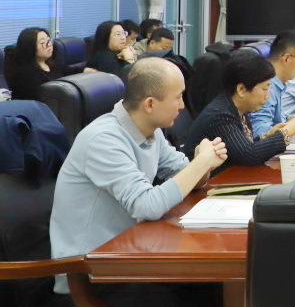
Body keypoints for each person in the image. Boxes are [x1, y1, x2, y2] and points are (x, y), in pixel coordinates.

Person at [50, 58, 227, 304]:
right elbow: (147, 205)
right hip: (91, 270)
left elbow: (186, 176)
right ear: (150, 104)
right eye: (177, 97)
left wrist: (204, 163)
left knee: (212, 283)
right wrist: (201, 162)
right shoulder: (103, 140)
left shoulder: (151, 130)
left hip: (131, 253)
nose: (182, 105)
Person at [185, 52, 295, 173]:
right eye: (265, 89)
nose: (268, 95)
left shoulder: (238, 108)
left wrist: (268, 135)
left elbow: (243, 147)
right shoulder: (221, 115)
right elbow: (249, 154)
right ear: (242, 89)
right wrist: (287, 131)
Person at [6, 27, 66, 101]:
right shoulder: (25, 76)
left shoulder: (51, 64)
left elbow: (67, 70)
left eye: (48, 40)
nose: (49, 45)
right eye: (43, 43)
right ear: (30, 48)